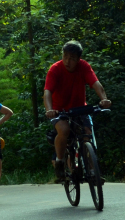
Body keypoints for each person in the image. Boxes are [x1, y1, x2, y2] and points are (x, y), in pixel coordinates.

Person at [43, 40, 111, 182]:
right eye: (65, 56)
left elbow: (96, 84)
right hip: (59, 110)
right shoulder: (55, 69)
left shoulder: (84, 67)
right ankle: (60, 161)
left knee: (88, 135)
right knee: (64, 129)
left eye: (72, 58)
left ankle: (93, 171)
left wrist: (104, 99)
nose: (68, 61)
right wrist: (49, 110)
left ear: (79, 59)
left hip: (80, 109)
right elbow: (47, 92)